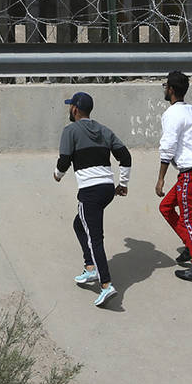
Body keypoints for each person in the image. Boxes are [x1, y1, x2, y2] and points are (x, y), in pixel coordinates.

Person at [54, 91, 131, 307]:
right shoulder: (104, 130)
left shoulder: (70, 131)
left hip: (90, 192)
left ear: (75, 109)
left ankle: (105, 284)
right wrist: (122, 184)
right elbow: (125, 157)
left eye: (70, 106)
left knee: (94, 237)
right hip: (107, 189)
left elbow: (64, 160)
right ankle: (90, 268)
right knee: (79, 225)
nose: (69, 109)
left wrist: (57, 176)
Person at [155, 71, 192, 283]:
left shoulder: (172, 114)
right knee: (166, 207)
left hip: (189, 174)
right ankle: (190, 246)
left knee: (188, 220)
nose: (164, 89)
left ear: (171, 89)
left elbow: (168, 146)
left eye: (165, 86)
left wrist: (161, 178)